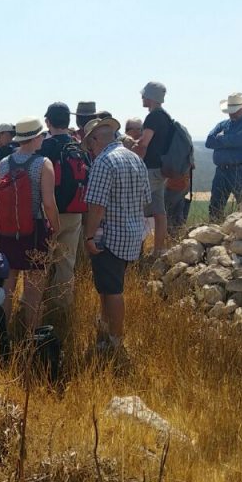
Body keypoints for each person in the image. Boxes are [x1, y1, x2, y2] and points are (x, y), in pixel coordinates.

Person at [81, 117, 150, 358]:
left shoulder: (103, 162)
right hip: (132, 234)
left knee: (113, 291)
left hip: (109, 235)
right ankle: (107, 333)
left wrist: (89, 237)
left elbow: (96, 206)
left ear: (95, 140)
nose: (90, 150)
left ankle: (116, 342)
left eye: (89, 145)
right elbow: (145, 199)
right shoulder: (135, 159)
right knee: (109, 287)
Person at [0, 117, 60, 336]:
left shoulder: (4, 163)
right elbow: (48, 203)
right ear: (37, 137)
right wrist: (56, 228)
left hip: (7, 232)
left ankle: (1, 337)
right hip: (35, 230)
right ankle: (33, 339)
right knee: (34, 290)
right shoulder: (43, 164)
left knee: (7, 289)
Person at [39, 102, 87, 317]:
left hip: (49, 212)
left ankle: (38, 304)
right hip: (75, 211)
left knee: (42, 261)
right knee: (66, 262)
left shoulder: (46, 147)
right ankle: (62, 307)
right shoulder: (78, 146)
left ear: (48, 121)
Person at [206, 93, 242, 222]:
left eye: (234, 111)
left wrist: (220, 140)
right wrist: (228, 141)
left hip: (239, 171)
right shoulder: (223, 124)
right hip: (221, 171)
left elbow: (237, 141)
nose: (231, 114)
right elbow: (209, 142)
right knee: (215, 207)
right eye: (230, 111)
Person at [136, 81, 172, 256]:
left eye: (144, 95)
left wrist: (133, 155)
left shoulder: (153, 117)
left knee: (136, 208)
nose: (142, 97)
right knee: (159, 211)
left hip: (149, 169)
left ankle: (136, 250)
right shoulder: (165, 117)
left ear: (150, 97)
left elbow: (144, 143)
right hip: (161, 170)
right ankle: (158, 249)